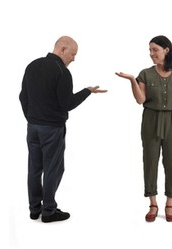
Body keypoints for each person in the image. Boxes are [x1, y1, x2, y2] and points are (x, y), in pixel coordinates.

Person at [20, 36, 107, 223]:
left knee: (34, 168)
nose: (74, 59)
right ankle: (49, 211)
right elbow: (67, 104)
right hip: (52, 129)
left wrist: (31, 118)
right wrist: (87, 91)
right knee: (53, 169)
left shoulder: (32, 65)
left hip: (33, 128)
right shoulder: (62, 72)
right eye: (73, 54)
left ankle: (34, 209)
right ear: (62, 49)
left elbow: (22, 97)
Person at [115, 35, 172, 222]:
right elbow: (140, 100)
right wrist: (132, 80)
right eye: (150, 50)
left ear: (166, 50)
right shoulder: (145, 74)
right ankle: (153, 203)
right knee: (150, 161)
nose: (151, 54)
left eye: (155, 49)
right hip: (150, 119)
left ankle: (169, 203)